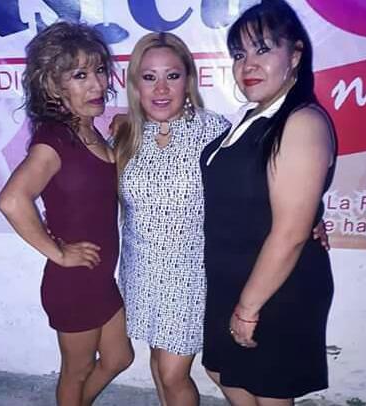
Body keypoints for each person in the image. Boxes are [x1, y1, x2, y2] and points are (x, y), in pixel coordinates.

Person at [200, 1, 335, 404]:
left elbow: (290, 234)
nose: (248, 64)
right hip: (234, 274)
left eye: (262, 49)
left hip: (276, 285)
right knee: (224, 371)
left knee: (268, 391)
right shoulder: (254, 117)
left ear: (295, 55)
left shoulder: (302, 122)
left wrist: (248, 307)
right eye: (239, 54)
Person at [0, 22, 133, 406]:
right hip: (73, 282)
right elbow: (12, 200)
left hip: (99, 276)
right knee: (76, 370)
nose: (97, 84)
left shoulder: (88, 132)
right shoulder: (54, 141)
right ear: (53, 86)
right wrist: (58, 252)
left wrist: (122, 133)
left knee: (119, 358)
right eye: (79, 76)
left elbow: (99, 184)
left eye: (99, 71)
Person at [114, 32, 231, 406]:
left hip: (190, 276)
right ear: (135, 84)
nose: (161, 89)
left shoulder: (213, 130)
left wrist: (310, 216)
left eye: (173, 76)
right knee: (157, 359)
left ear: (189, 80)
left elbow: (254, 187)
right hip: (140, 270)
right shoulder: (126, 134)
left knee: (172, 372)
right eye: (149, 77)